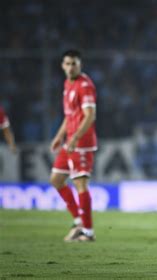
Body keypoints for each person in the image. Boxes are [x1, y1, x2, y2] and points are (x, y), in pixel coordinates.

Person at [50, 49, 98, 242]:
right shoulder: (67, 84)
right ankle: (79, 220)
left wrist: (76, 137)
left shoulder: (84, 85)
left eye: (74, 64)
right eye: (68, 64)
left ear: (80, 65)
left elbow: (89, 116)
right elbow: (69, 115)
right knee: (56, 179)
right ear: (62, 65)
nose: (71, 67)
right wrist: (59, 136)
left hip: (81, 143)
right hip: (70, 141)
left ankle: (88, 231)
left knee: (80, 184)